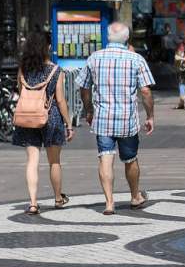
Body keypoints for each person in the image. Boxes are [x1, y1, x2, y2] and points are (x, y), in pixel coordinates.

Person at [78, 22, 154, 216]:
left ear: (108, 37)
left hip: (103, 118)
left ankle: (109, 203)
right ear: (127, 38)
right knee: (130, 159)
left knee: (105, 157)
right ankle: (135, 196)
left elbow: (84, 88)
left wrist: (89, 110)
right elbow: (145, 91)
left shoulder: (94, 58)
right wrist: (150, 116)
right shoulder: (136, 59)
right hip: (127, 119)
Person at [12, 32, 73, 215]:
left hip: (28, 117)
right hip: (51, 116)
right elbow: (61, 100)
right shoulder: (55, 70)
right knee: (54, 161)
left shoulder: (23, 69)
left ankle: (32, 202)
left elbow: (22, 91)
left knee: (32, 161)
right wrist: (69, 123)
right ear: (47, 47)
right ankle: (57, 198)